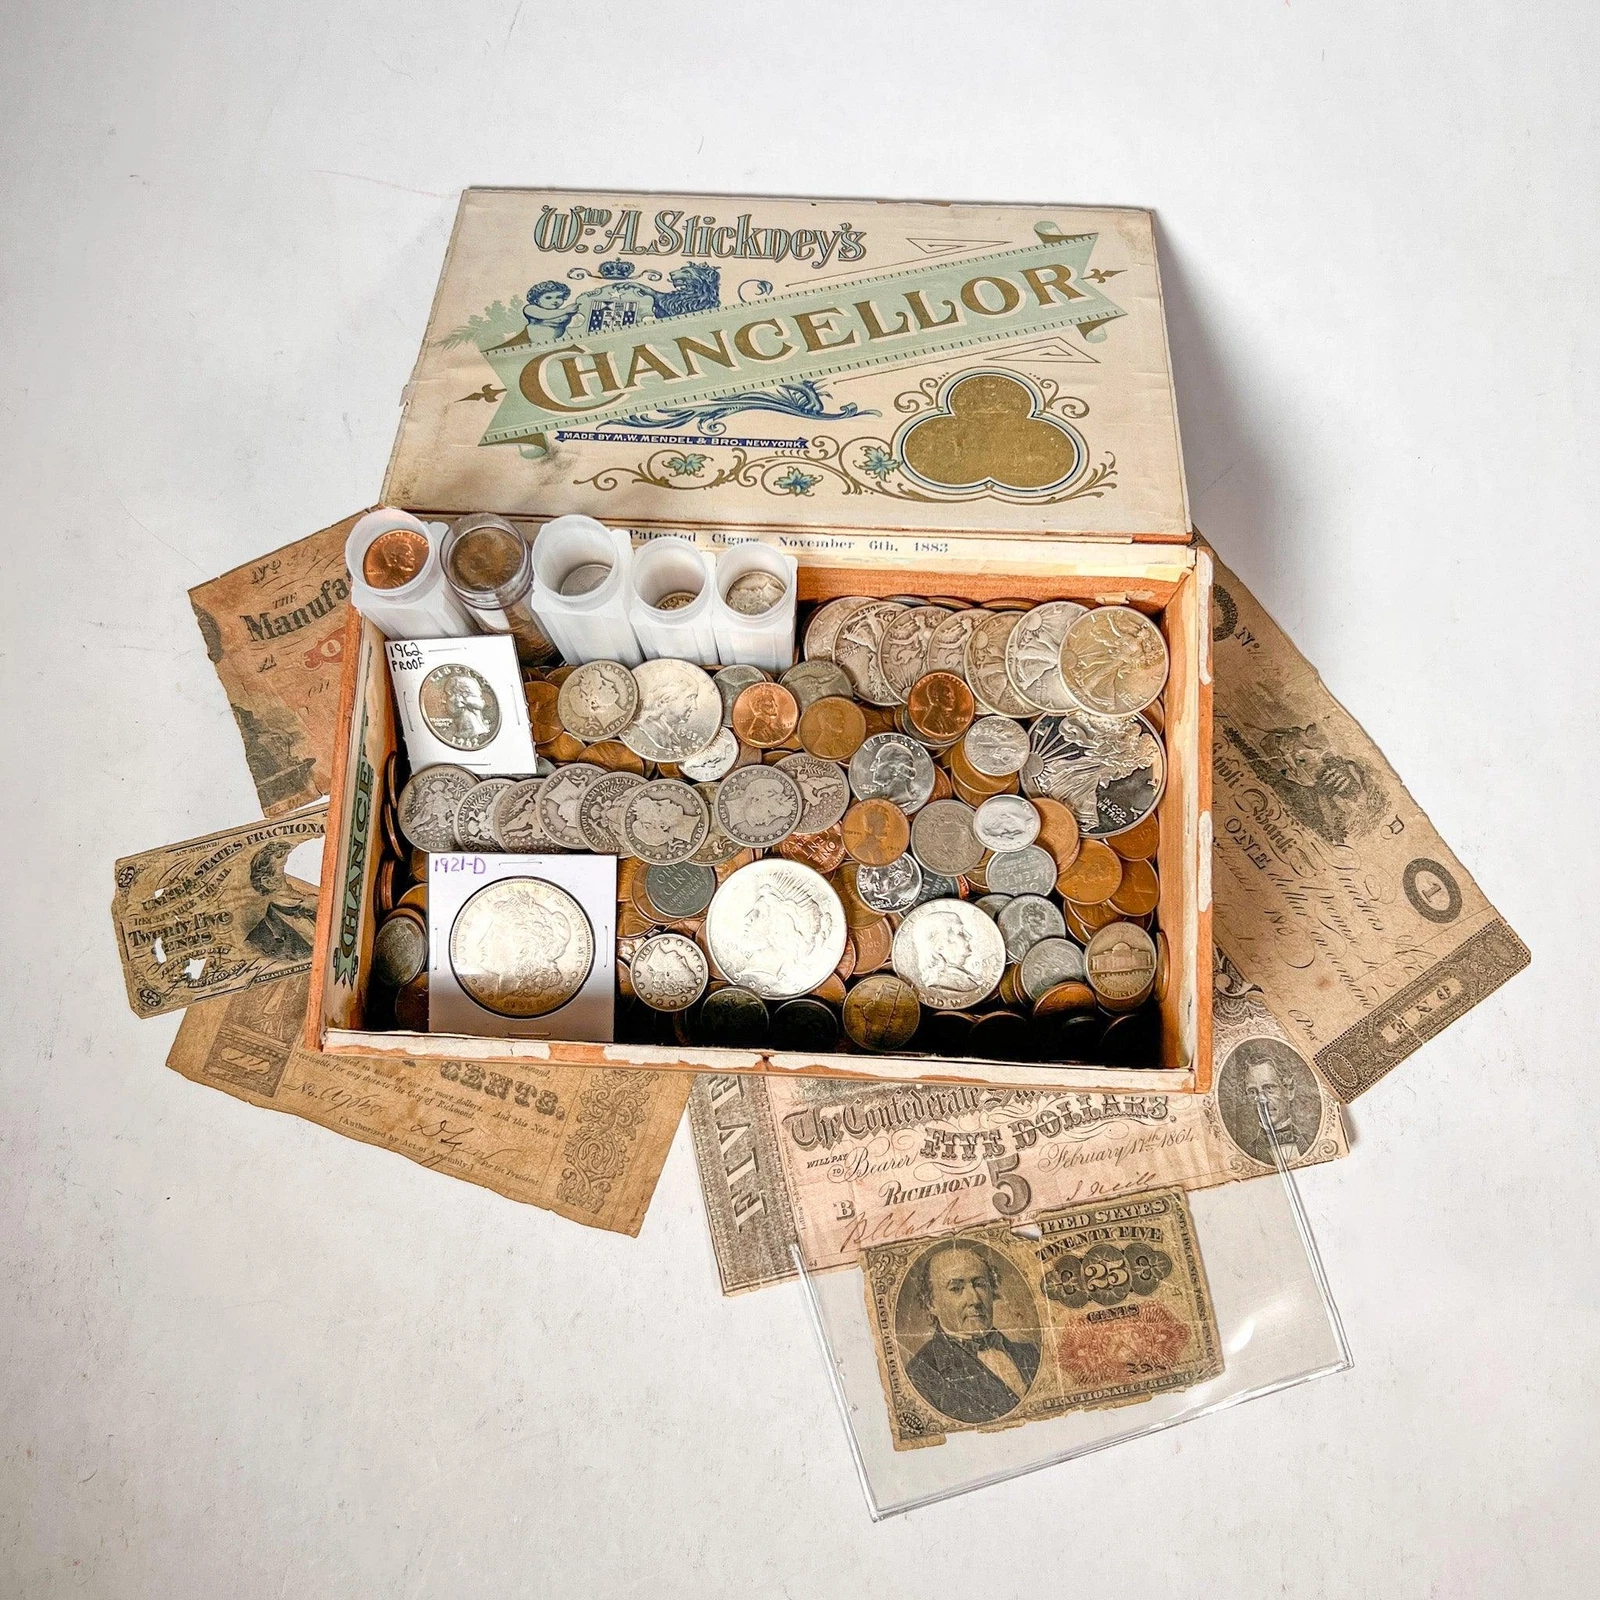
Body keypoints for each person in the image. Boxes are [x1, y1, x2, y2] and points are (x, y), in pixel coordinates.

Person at [903, 1241, 1039, 1424]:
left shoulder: (1031, 1353)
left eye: (980, 1284)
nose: (974, 1300)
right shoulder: (921, 1376)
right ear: (931, 1304)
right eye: (956, 1288)